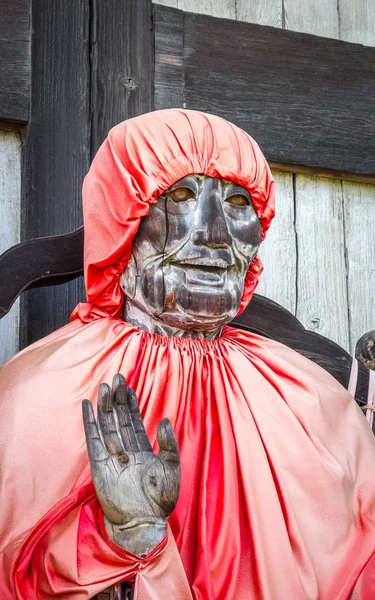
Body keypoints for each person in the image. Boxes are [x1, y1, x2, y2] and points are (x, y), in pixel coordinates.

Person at [0, 109, 374, 599]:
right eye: (180, 196)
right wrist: (129, 540)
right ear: (122, 219)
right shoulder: (38, 398)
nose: (215, 234)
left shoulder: (311, 399)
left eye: (239, 202)